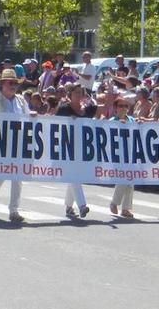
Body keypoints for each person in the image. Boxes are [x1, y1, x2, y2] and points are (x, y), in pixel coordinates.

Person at [0, 69, 33, 222]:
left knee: (18, 176)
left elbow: (28, 117)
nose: (13, 86)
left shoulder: (21, 100)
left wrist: (33, 116)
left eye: (15, 83)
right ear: (2, 84)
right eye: (10, 83)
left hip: (18, 141)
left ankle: (14, 210)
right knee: (0, 175)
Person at [56, 83, 96, 218]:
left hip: (83, 147)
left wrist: (108, 91)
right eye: (76, 92)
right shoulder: (64, 109)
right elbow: (54, 125)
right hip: (66, 147)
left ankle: (68, 206)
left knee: (73, 177)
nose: (79, 95)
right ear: (70, 94)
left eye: (81, 92)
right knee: (75, 175)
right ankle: (82, 205)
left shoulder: (88, 109)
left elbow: (104, 108)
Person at [109, 97, 135, 218]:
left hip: (131, 154)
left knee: (130, 182)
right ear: (115, 108)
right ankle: (114, 203)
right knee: (123, 178)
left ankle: (126, 208)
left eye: (126, 106)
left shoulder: (132, 120)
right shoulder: (112, 121)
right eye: (121, 106)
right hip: (118, 154)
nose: (124, 108)